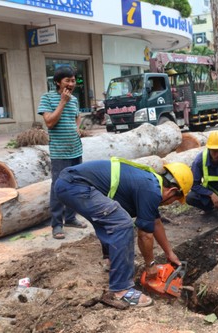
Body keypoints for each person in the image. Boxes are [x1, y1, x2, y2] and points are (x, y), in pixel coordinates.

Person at [54, 157, 193, 307]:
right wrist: (150, 264)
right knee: (122, 223)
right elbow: (145, 234)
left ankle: (111, 260)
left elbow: (155, 222)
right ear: (172, 191)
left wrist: (169, 253)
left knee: (111, 217)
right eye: (173, 201)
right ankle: (121, 290)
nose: (169, 204)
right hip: (75, 185)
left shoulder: (150, 183)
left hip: (70, 182)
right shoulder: (150, 190)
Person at [38, 66, 85, 239]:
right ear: (58, 82)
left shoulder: (74, 99)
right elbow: (49, 122)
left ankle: (71, 218)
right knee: (58, 187)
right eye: (67, 80)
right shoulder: (47, 98)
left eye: (73, 80)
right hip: (59, 152)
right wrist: (62, 102)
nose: (71, 84)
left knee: (75, 185)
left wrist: (77, 128)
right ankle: (56, 224)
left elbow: (77, 116)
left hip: (75, 149)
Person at [186, 130, 218, 212]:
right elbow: (194, 185)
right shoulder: (199, 161)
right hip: (210, 191)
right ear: (209, 148)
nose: (217, 155)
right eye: (214, 151)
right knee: (190, 197)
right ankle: (210, 208)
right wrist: (211, 194)